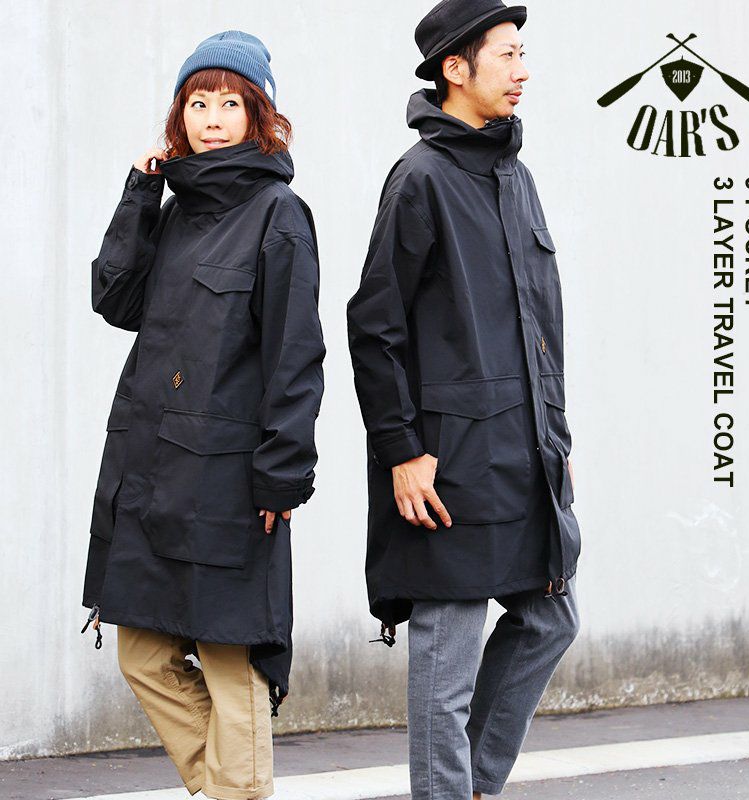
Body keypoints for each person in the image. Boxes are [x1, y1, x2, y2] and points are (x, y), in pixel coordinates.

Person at [80, 31, 325, 800]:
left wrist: (282, 475)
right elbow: (115, 298)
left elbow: (296, 357)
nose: (211, 119)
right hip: (153, 473)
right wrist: (140, 193)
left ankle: (233, 790)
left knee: (229, 656)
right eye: (197, 102)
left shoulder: (279, 215)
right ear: (179, 115)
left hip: (228, 484)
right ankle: (229, 787)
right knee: (142, 654)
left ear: (259, 116)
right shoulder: (176, 211)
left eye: (228, 103)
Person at [346, 1, 581, 797]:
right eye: (506, 55)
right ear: (456, 68)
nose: (522, 71)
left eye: (523, 54)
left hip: (522, 453)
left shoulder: (515, 177)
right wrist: (402, 452)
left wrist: (556, 442)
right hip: (446, 465)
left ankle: (471, 783)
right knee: (445, 659)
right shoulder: (421, 179)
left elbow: (539, 327)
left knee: (550, 616)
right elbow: (374, 326)